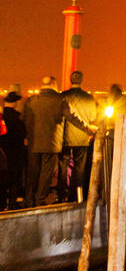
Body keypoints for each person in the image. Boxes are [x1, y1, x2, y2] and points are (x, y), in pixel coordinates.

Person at [23, 77, 94, 207]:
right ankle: (40, 199)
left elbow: (24, 119)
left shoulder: (31, 100)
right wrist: (89, 128)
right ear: (54, 84)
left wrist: (27, 136)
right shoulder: (60, 100)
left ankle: (29, 200)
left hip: (33, 143)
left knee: (32, 172)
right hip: (51, 144)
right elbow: (73, 117)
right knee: (46, 174)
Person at [60, 71, 99, 203]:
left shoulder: (62, 96)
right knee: (79, 168)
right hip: (82, 138)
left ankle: (62, 194)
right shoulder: (88, 98)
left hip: (64, 137)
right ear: (81, 80)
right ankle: (76, 195)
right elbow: (93, 117)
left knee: (63, 166)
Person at [0, 92, 27, 208]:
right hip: (16, 153)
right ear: (15, 103)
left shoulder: (1, 116)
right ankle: (12, 202)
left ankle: (1, 202)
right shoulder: (18, 118)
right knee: (15, 178)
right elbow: (23, 136)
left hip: (3, 153)